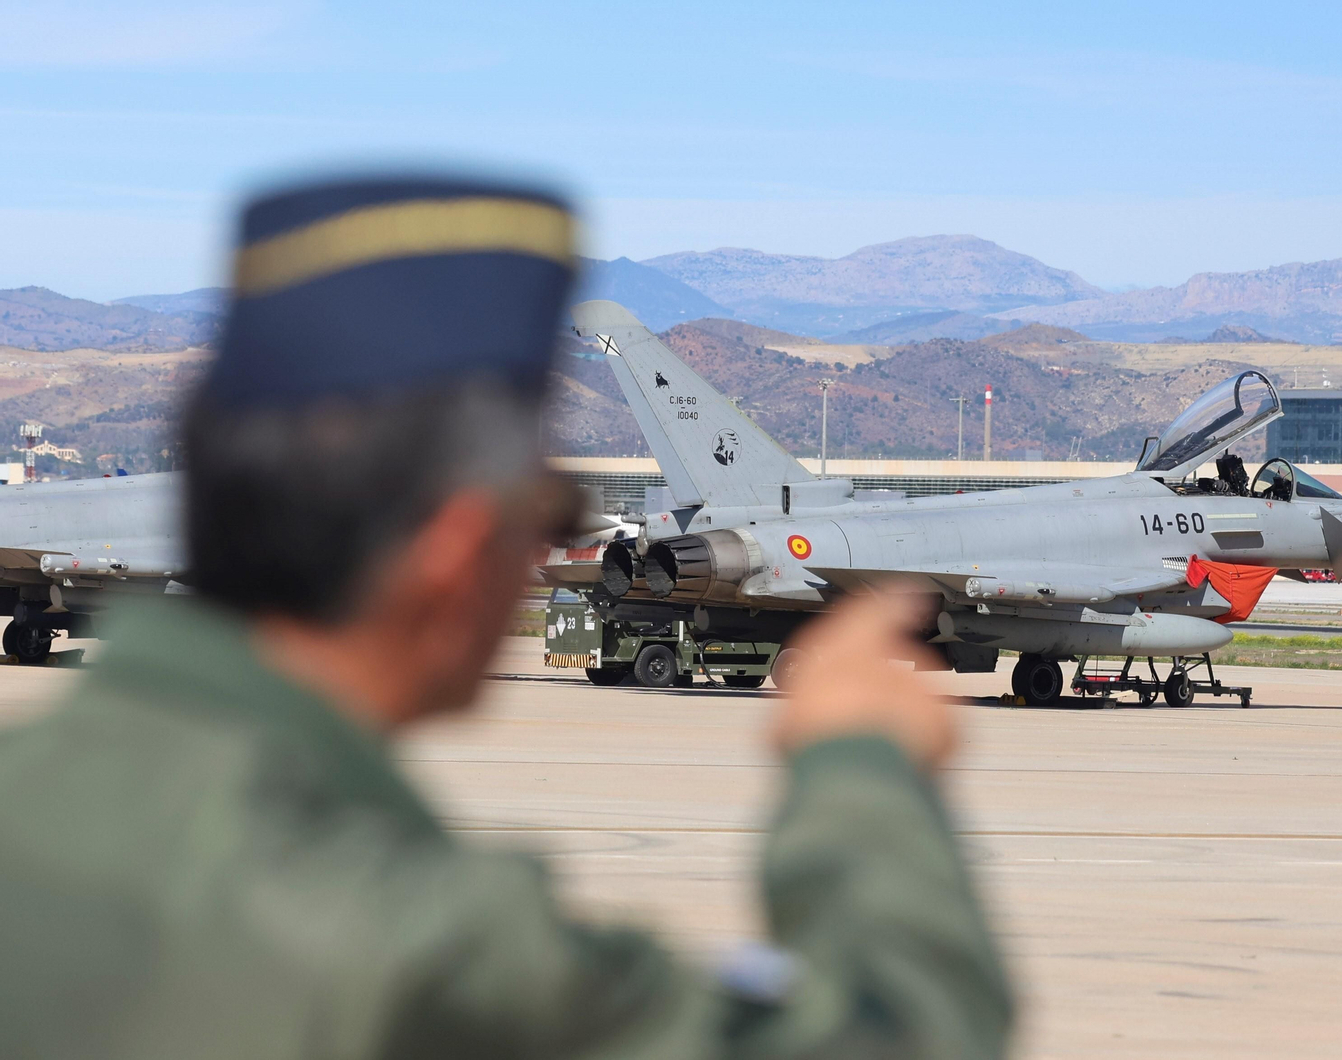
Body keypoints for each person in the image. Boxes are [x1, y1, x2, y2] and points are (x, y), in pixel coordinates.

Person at [0, 176, 1012, 1057]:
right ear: (454, 545)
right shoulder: (421, 943)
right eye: (544, 512)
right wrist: (860, 771)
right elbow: (895, 1038)